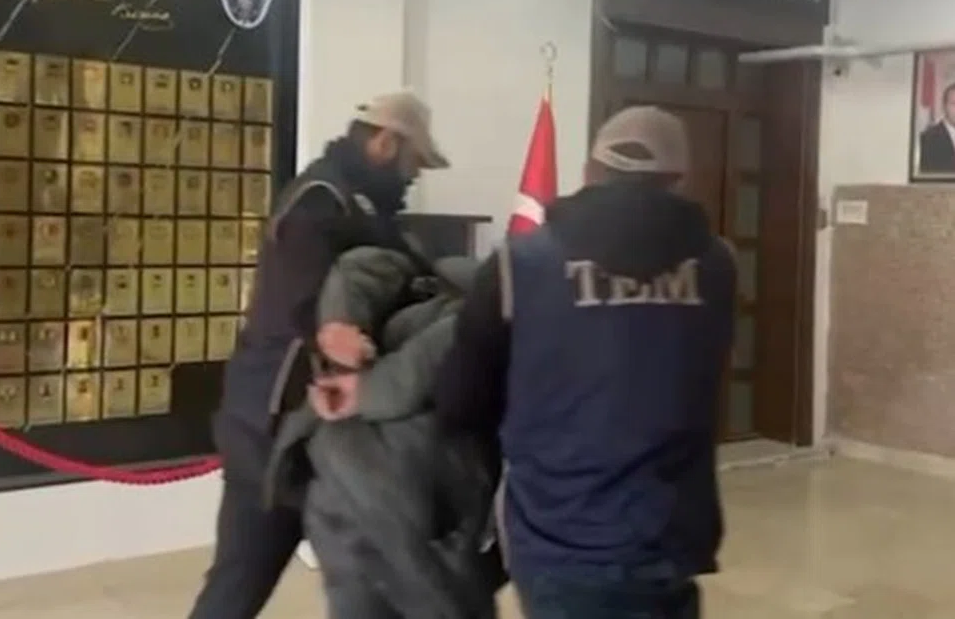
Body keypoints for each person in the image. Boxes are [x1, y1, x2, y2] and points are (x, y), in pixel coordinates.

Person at [432, 105, 736, 619]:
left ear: (590, 172)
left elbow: (460, 404)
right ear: (678, 179)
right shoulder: (717, 266)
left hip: (559, 536)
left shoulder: (517, 265)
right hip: (672, 535)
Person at [187, 91, 449, 619]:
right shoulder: (319, 199)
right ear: (385, 143)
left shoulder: (363, 206)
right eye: (414, 162)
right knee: (238, 585)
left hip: (326, 434)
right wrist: (330, 330)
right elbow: (298, 289)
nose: (414, 176)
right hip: (273, 430)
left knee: (370, 587)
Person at [268, 247, 504, 619]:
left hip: (337, 474)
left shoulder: (412, 296)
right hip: (407, 488)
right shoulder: (476, 315)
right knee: (440, 601)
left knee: (359, 596)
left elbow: (358, 269)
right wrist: (355, 366)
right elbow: (415, 373)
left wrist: (340, 330)